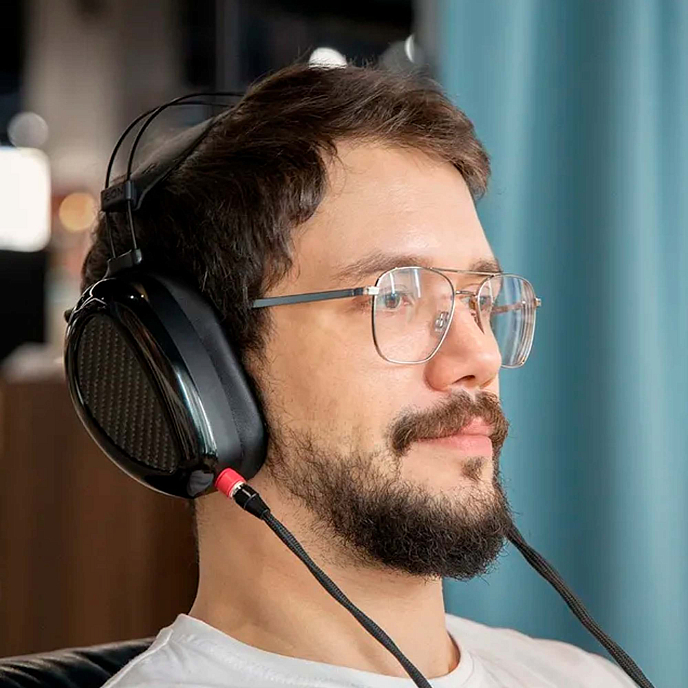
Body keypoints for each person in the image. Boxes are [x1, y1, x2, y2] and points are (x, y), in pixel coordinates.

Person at [86, 63, 634, 687]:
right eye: (394, 297)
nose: (479, 358)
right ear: (207, 373)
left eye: (479, 299)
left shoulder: (588, 677)